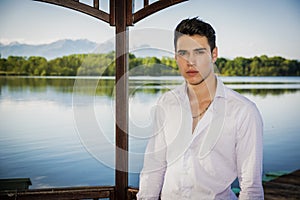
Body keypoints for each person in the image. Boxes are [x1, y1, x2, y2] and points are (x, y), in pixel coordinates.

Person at [137, 17, 264, 199]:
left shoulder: (243, 111)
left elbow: (251, 187)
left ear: (213, 54)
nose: (191, 61)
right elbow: (153, 167)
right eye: (183, 53)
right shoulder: (166, 103)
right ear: (175, 57)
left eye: (199, 52)